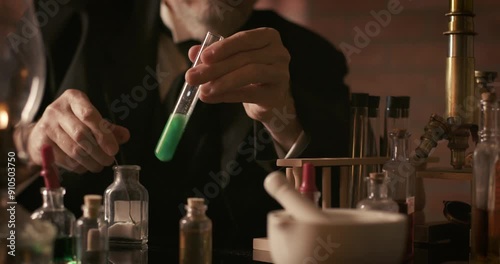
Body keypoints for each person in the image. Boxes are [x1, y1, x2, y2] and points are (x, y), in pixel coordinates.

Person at [15, 0, 350, 258]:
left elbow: (346, 207)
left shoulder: (310, 58)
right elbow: (8, 149)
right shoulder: (70, 22)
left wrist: (285, 120)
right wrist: (30, 143)